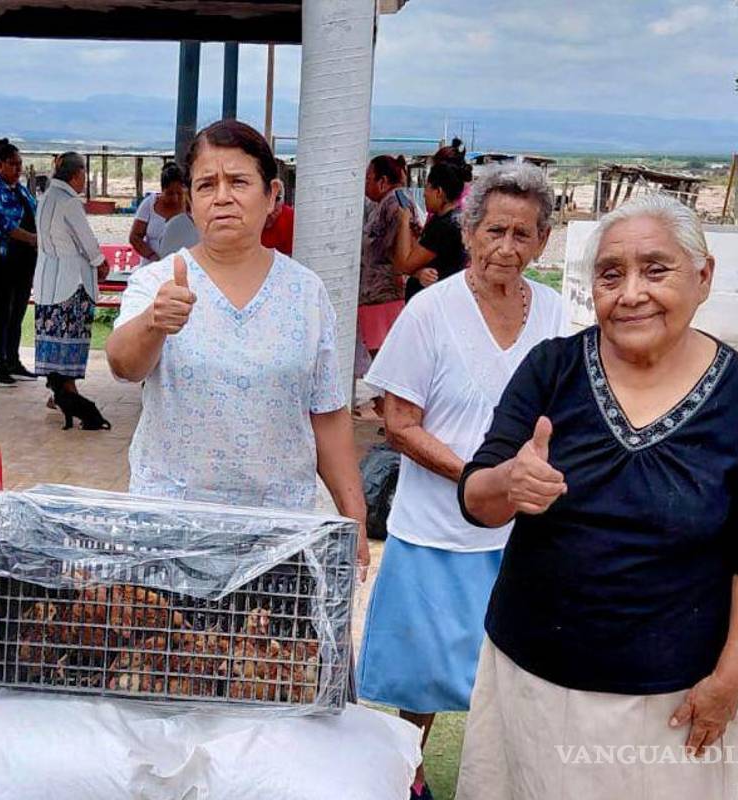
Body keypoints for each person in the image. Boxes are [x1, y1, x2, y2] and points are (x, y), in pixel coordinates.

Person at [456, 194, 738, 800]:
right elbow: (477, 498)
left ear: (704, 277)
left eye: (655, 270)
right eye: (611, 275)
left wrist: (731, 678)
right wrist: (509, 480)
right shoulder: (553, 368)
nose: (631, 292)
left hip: (672, 701)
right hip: (533, 683)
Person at [356, 164, 564, 800]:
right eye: (495, 229)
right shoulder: (430, 310)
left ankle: (503, 779)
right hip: (435, 530)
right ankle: (407, 775)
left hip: (520, 537)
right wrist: (479, 477)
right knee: (420, 680)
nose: (508, 246)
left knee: (515, 674)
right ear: (469, 233)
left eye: (524, 234)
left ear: (543, 242)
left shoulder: (554, 313)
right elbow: (397, 423)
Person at [106, 119, 369, 570]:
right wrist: (154, 323)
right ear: (190, 202)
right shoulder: (159, 281)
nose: (222, 196)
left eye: (239, 182)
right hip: (174, 531)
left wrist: (355, 516)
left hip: (278, 534)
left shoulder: (306, 293)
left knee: (268, 641)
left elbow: (327, 414)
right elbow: (122, 364)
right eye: (207, 184)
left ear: (272, 196)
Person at [33, 151, 109, 403]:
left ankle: (57, 392)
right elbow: (85, 239)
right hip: (69, 281)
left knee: (51, 338)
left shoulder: (45, 197)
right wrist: (100, 262)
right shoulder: (69, 202)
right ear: (78, 174)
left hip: (47, 280)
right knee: (69, 338)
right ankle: (67, 391)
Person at [0, 138, 39, 384]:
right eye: (13, 164)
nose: (19, 168)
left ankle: (13, 360)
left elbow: (33, 211)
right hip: (0, 258)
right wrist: (34, 239)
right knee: (2, 311)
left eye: (20, 164)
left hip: (24, 259)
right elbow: (3, 223)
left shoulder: (19, 188)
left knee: (18, 312)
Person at [358, 155, 412, 376]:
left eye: (368, 178)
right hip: (374, 293)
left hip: (384, 293)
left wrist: (412, 269)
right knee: (378, 359)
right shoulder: (384, 203)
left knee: (385, 361)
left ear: (382, 181)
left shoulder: (396, 202)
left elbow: (410, 239)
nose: (365, 184)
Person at [394, 160, 471, 301]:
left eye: (427, 188)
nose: (424, 195)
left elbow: (403, 265)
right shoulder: (453, 219)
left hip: (433, 300)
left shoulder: (444, 226)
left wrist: (404, 222)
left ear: (439, 192)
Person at [129, 163, 188, 265]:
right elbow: (135, 237)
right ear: (162, 190)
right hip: (152, 266)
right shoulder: (149, 204)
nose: (175, 198)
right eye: (170, 193)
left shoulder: (191, 205)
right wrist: (154, 257)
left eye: (179, 193)